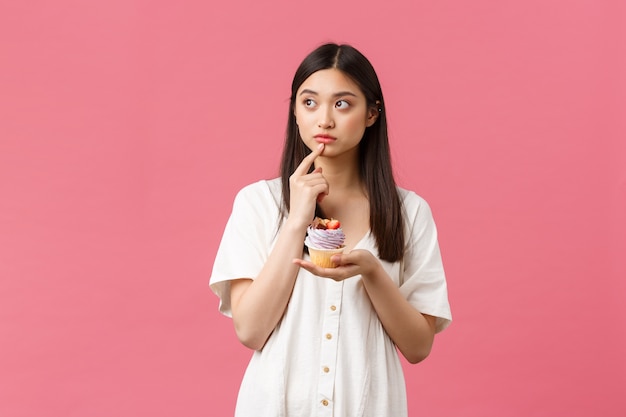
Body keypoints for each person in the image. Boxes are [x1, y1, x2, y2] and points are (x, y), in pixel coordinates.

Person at [210, 43, 452, 417]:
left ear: (372, 113)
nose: (324, 119)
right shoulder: (257, 203)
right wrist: (295, 222)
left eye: (342, 104)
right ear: (294, 110)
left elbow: (418, 347)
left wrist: (372, 271)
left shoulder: (409, 213)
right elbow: (251, 331)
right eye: (309, 103)